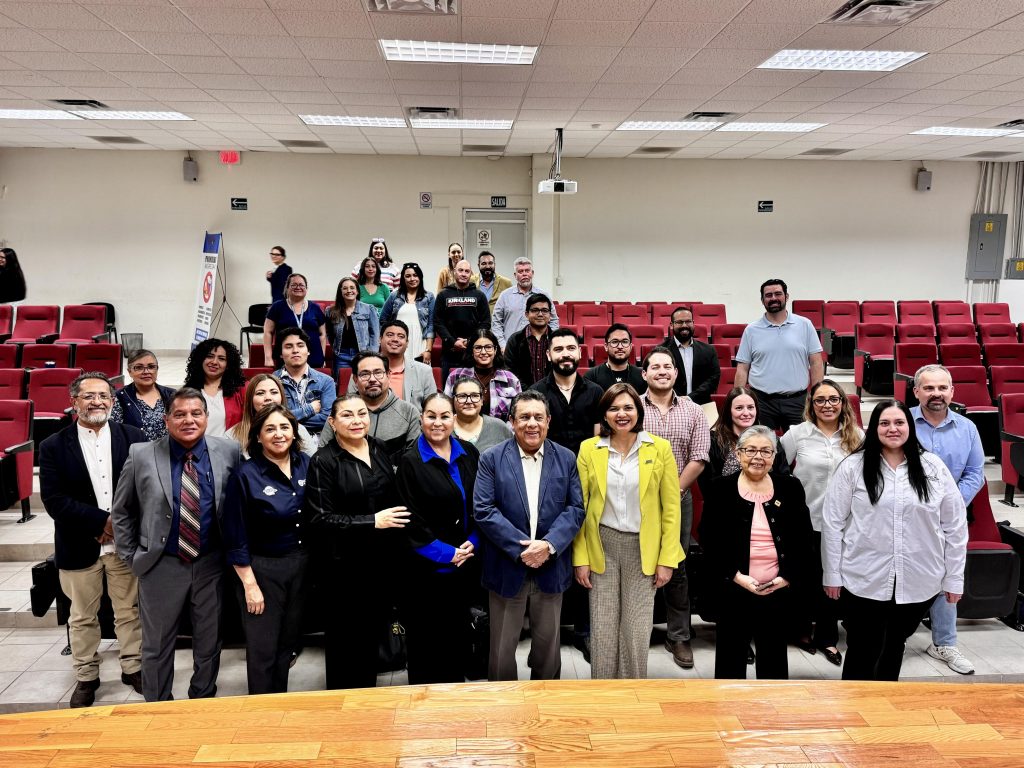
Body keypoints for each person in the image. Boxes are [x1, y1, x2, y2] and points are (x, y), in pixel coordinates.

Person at [111, 387, 244, 701]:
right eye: (180, 414)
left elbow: (237, 505)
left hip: (211, 563)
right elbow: (122, 511)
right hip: (161, 564)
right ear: (166, 419)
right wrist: (132, 557)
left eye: (196, 413)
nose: (189, 420)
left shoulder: (229, 451)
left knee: (209, 641)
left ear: (206, 417)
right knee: (157, 645)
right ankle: (158, 706)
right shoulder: (141, 454)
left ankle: (202, 697)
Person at [823, 400, 968, 681]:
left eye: (899, 422)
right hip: (864, 577)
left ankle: (886, 704)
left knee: (894, 645)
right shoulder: (853, 467)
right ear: (874, 428)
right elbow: (832, 524)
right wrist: (832, 574)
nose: (892, 429)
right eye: (884, 423)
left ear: (909, 427)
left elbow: (955, 526)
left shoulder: (932, 467)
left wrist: (954, 578)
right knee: (863, 646)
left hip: (919, 579)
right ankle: (854, 704)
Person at [39, 372, 148, 707]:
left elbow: (146, 490)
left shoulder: (134, 438)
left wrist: (119, 526)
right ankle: (86, 675)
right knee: (82, 616)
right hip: (77, 543)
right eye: (88, 396)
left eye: (103, 396)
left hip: (124, 544)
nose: (96, 402)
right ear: (74, 402)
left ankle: (133, 667)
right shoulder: (53, 446)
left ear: (112, 402)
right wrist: (103, 522)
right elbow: (54, 500)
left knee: (129, 611)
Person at [473, 390, 586, 680]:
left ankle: (545, 701)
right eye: (524, 417)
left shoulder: (566, 458)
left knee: (548, 651)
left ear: (548, 421)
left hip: (551, 565)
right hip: (506, 566)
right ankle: (504, 702)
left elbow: (575, 509)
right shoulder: (491, 458)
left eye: (538, 417)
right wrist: (524, 549)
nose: (531, 423)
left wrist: (548, 545)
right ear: (512, 422)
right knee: (501, 650)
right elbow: (484, 510)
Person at [573, 383, 683, 679]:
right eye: (613, 408)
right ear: (604, 415)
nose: (621, 414)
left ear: (639, 411)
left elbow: (671, 510)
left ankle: (633, 691)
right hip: (602, 545)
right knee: (603, 627)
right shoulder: (589, 449)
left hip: (643, 548)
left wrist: (667, 559)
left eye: (628, 407)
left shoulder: (660, 448)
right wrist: (580, 558)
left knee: (636, 628)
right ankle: (603, 691)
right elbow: (580, 508)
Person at [306, 393, 410, 689]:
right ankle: (344, 703)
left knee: (371, 639)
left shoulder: (378, 448)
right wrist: (373, 521)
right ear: (332, 422)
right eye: (347, 415)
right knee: (345, 644)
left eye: (362, 413)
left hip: (380, 563)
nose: (356, 421)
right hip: (343, 568)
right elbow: (320, 519)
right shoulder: (323, 461)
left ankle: (367, 701)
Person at [700, 425, 812, 680]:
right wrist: (737, 576)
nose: (758, 457)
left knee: (774, 663)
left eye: (766, 451)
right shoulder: (720, 488)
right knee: (730, 663)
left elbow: (803, 540)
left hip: (777, 588)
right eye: (750, 450)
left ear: (774, 456)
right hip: (734, 586)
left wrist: (785, 578)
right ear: (738, 454)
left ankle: (769, 707)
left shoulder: (790, 487)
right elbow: (710, 539)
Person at [221, 404, 310, 695]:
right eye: (270, 429)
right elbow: (235, 535)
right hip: (262, 570)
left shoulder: (307, 464)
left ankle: (278, 703)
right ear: (258, 436)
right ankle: (261, 710)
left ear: (294, 432)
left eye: (284, 427)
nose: (278, 434)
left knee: (287, 644)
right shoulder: (245, 475)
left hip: (300, 566)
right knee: (263, 650)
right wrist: (250, 585)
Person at [396, 393, 481, 684]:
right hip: (425, 572)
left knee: (456, 640)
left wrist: (474, 540)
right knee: (426, 645)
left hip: (464, 565)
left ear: (454, 419)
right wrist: (448, 553)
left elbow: (481, 503)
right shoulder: (410, 461)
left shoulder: (469, 452)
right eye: (431, 416)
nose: (437, 422)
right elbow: (410, 520)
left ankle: (453, 700)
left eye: (445, 416)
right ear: (421, 418)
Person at [779, 379, 863, 666]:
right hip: (806, 520)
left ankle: (828, 637)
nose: (827, 405)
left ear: (842, 403)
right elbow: (779, 473)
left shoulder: (858, 437)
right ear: (811, 405)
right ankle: (801, 630)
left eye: (833, 399)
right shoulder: (797, 434)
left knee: (833, 582)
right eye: (820, 400)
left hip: (844, 524)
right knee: (805, 579)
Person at [911, 364, 985, 675]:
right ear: (916, 391)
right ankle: (895, 634)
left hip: (950, 518)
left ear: (952, 392)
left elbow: (975, 474)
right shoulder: (902, 423)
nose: (936, 394)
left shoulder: (968, 428)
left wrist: (950, 505)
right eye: (929, 388)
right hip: (908, 515)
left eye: (942, 388)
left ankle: (944, 643)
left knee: (947, 574)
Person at [640, 346, 709, 669]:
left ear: (676, 373)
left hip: (678, 499)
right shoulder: (632, 406)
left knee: (676, 565)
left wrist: (673, 491)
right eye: (655, 367)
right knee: (638, 564)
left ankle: (678, 635)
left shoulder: (693, 410)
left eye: (667, 366)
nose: (662, 371)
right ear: (644, 374)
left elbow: (699, 457)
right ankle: (637, 631)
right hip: (636, 500)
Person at [734, 279, 824, 430]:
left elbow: (816, 363)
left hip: (798, 401)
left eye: (778, 294)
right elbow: (742, 368)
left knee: (801, 443)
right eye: (768, 295)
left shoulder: (805, 325)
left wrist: (817, 395)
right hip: (762, 402)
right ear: (762, 300)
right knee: (762, 443)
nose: (773, 298)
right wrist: (737, 399)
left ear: (786, 296)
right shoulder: (751, 330)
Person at [318, 351, 420, 462]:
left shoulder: (409, 412)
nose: (372, 379)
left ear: (388, 375)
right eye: (365, 374)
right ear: (355, 380)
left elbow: (413, 462)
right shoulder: (342, 410)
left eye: (378, 372)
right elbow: (322, 455)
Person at [699, 386, 788, 497]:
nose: (746, 413)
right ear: (729, 411)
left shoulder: (770, 438)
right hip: (726, 500)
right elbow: (708, 483)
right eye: (739, 408)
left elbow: (783, 476)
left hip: (767, 499)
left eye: (750, 407)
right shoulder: (713, 440)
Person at [529, 328, 603, 456]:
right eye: (558, 349)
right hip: (549, 463)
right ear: (549, 355)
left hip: (586, 463)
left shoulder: (596, 392)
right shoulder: (535, 393)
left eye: (571, 348)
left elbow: (598, 439)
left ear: (579, 352)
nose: (566, 354)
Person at [228, 373, 316, 457]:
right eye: (260, 393)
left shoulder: (299, 430)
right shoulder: (232, 435)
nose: (268, 398)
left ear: (282, 397)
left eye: (274, 392)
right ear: (250, 399)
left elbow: (313, 464)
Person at [444, 328, 522, 422]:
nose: (483, 352)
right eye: (478, 348)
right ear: (471, 351)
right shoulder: (455, 376)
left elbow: (518, 416)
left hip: (501, 430)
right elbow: (446, 412)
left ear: (495, 350)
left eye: (488, 347)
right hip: (462, 429)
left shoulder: (511, 379)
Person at [433, 258, 490, 384]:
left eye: (467, 271)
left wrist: (470, 341)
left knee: (473, 388)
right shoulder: (443, 295)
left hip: (473, 353)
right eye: (460, 270)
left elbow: (486, 322)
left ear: (471, 274)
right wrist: (453, 342)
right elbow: (438, 322)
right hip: (449, 353)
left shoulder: (480, 296)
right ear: (454, 272)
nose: (464, 274)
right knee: (448, 389)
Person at [273, 328, 336, 435]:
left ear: (308, 351)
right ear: (281, 353)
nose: (295, 350)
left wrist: (285, 419)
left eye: (300, 345)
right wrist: (309, 409)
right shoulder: (272, 381)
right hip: (282, 437)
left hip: (318, 439)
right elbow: (271, 417)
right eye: (288, 346)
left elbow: (327, 419)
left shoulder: (326, 381)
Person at [492, 257, 559, 350]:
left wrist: (550, 343)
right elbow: (496, 323)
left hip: (538, 348)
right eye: (520, 271)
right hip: (511, 348)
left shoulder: (544, 295)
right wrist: (503, 345)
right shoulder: (505, 296)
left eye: (527, 271)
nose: (524, 274)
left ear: (532, 273)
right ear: (515, 275)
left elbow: (554, 321)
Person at [263, 273, 329, 369]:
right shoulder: (277, 307)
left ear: (306, 288)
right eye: (294, 285)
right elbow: (268, 332)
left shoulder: (315, 308)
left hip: (313, 357)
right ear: (287, 288)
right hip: (287, 357)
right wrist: (268, 357)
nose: (298, 287)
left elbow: (322, 334)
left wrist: (322, 356)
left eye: (301, 285)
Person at [183, 338, 245, 438]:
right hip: (199, 446)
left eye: (221, 359)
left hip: (232, 446)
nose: (214, 362)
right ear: (200, 359)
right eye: (209, 356)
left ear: (228, 365)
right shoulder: (187, 392)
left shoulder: (241, 390)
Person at [111, 349, 175, 441]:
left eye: (151, 366)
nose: (146, 371)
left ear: (157, 369)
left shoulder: (172, 395)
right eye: (139, 367)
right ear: (129, 371)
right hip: (134, 448)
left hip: (168, 448)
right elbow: (115, 432)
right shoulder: (120, 397)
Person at [660, 306, 720, 404]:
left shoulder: (709, 350)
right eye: (679, 322)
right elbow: (659, 378)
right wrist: (678, 399)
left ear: (693, 323)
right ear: (671, 325)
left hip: (702, 404)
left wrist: (690, 398)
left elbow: (713, 379)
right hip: (670, 403)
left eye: (688, 321)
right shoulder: (660, 351)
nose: (684, 325)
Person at [380, 262, 435, 366]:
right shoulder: (394, 296)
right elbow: (383, 320)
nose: (412, 279)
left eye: (415, 275)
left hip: (420, 343)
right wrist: (387, 341)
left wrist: (428, 350)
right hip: (397, 342)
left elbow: (431, 325)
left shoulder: (429, 297)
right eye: (408, 276)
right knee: (397, 371)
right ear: (403, 278)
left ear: (420, 277)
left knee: (419, 372)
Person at [372, 319, 437, 407]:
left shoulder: (424, 371)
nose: (395, 339)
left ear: (407, 343)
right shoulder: (363, 369)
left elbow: (432, 407)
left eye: (401, 336)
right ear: (380, 339)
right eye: (390, 335)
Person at [327, 276, 380, 377]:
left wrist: (372, 355)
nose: (349, 291)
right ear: (340, 291)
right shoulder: (331, 311)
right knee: (342, 384)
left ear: (357, 291)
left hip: (363, 354)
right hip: (341, 356)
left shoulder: (368, 309)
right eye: (345, 288)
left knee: (364, 382)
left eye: (352, 288)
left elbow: (375, 334)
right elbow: (330, 334)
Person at [504, 293, 554, 389]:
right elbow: (509, 372)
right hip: (522, 394)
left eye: (544, 310)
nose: (540, 314)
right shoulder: (515, 340)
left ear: (550, 315)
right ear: (527, 314)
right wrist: (528, 392)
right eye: (535, 310)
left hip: (552, 393)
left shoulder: (557, 339)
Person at [451, 376, 512, 452]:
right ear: (453, 400)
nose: (469, 401)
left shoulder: (499, 427)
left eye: (474, 396)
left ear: (482, 400)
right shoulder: (444, 426)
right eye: (462, 396)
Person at [584, 323, 647, 394]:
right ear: (606, 346)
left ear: (630, 347)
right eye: (615, 342)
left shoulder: (642, 376)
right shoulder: (591, 376)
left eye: (625, 342)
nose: (620, 346)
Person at [474, 250, 512, 316]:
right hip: (476, 322)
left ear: (495, 264)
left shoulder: (506, 283)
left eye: (490, 263)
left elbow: (511, 307)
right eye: (484, 263)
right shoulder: (470, 281)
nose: (487, 266)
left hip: (497, 322)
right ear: (478, 265)